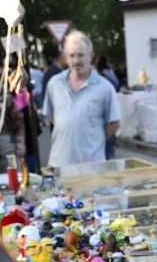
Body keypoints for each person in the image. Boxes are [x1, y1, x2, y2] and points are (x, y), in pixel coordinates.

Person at [42, 30, 121, 168]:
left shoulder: (105, 87)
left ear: (91, 55)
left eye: (81, 55)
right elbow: (52, 116)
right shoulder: (54, 83)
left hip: (92, 165)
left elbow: (114, 123)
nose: (76, 60)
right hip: (59, 163)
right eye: (71, 55)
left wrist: (92, 137)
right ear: (65, 58)